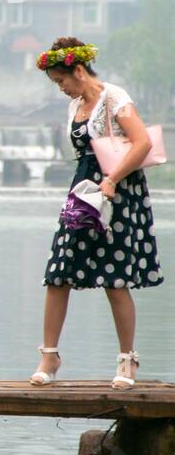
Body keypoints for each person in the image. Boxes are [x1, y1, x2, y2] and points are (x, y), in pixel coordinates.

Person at [32, 37, 161, 390]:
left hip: (117, 192)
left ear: (78, 70)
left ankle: (127, 360)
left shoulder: (115, 97)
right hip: (83, 192)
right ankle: (49, 355)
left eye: (62, 81)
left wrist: (112, 179)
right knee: (59, 271)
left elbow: (143, 142)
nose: (61, 89)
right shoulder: (74, 105)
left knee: (115, 278)